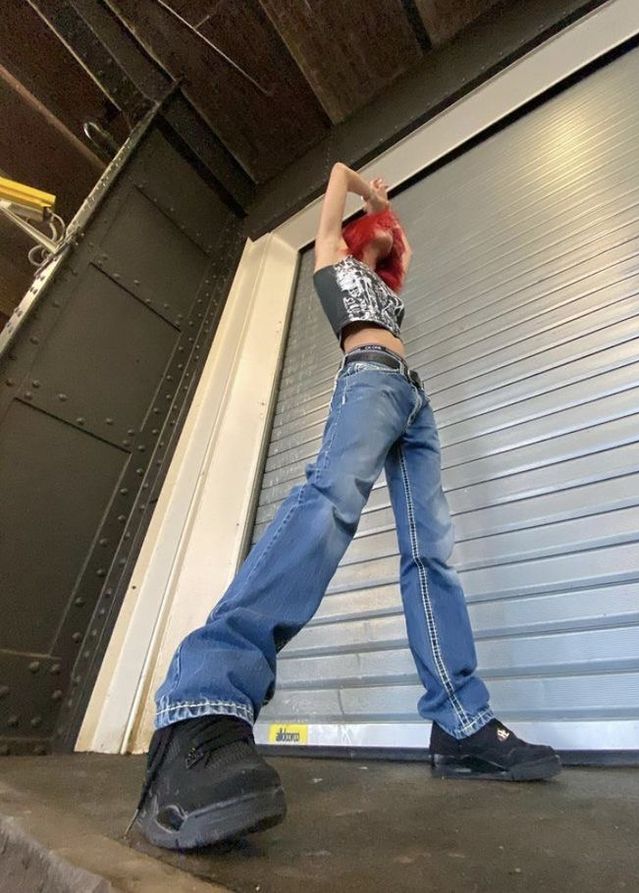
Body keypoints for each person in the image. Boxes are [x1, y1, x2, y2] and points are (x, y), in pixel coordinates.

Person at [127, 162, 561, 851]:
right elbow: (334, 178)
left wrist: (392, 231)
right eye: (378, 233)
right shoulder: (333, 260)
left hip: (411, 395)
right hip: (366, 382)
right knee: (329, 502)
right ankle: (201, 701)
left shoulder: (387, 288)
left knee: (433, 552)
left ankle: (459, 723)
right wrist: (368, 195)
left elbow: (404, 254)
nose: (388, 239)